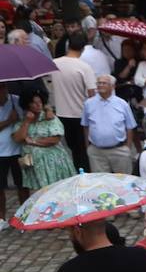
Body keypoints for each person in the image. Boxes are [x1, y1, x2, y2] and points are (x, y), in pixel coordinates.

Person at [49, 32, 97, 173]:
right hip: (80, 114)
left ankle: (78, 172)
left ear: (68, 45)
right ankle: (86, 174)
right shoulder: (84, 67)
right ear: (83, 49)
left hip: (61, 113)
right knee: (83, 149)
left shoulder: (54, 63)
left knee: (73, 148)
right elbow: (92, 94)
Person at [13, 87, 77, 192]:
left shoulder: (50, 118)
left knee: (58, 191)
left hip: (53, 163)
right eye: (34, 103)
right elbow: (17, 138)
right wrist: (27, 122)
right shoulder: (23, 121)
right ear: (27, 104)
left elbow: (55, 139)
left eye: (40, 102)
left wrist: (32, 141)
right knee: (40, 193)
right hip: (34, 165)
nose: (38, 105)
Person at [81, 74, 137, 173]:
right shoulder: (88, 103)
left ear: (112, 86)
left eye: (104, 83)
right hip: (96, 152)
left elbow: (130, 127)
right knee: (101, 183)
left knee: (123, 182)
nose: (101, 85)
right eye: (99, 83)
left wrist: (127, 147)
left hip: (119, 150)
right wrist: (88, 147)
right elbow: (86, 126)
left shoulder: (122, 103)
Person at [0, 81, 28, 222]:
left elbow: (28, 121)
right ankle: (1, 219)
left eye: (3, 86)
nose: (1, 90)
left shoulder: (16, 100)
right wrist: (9, 121)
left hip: (18, 150)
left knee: (22, 185)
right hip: (0, 153)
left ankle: (24, 216)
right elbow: (10, 122)